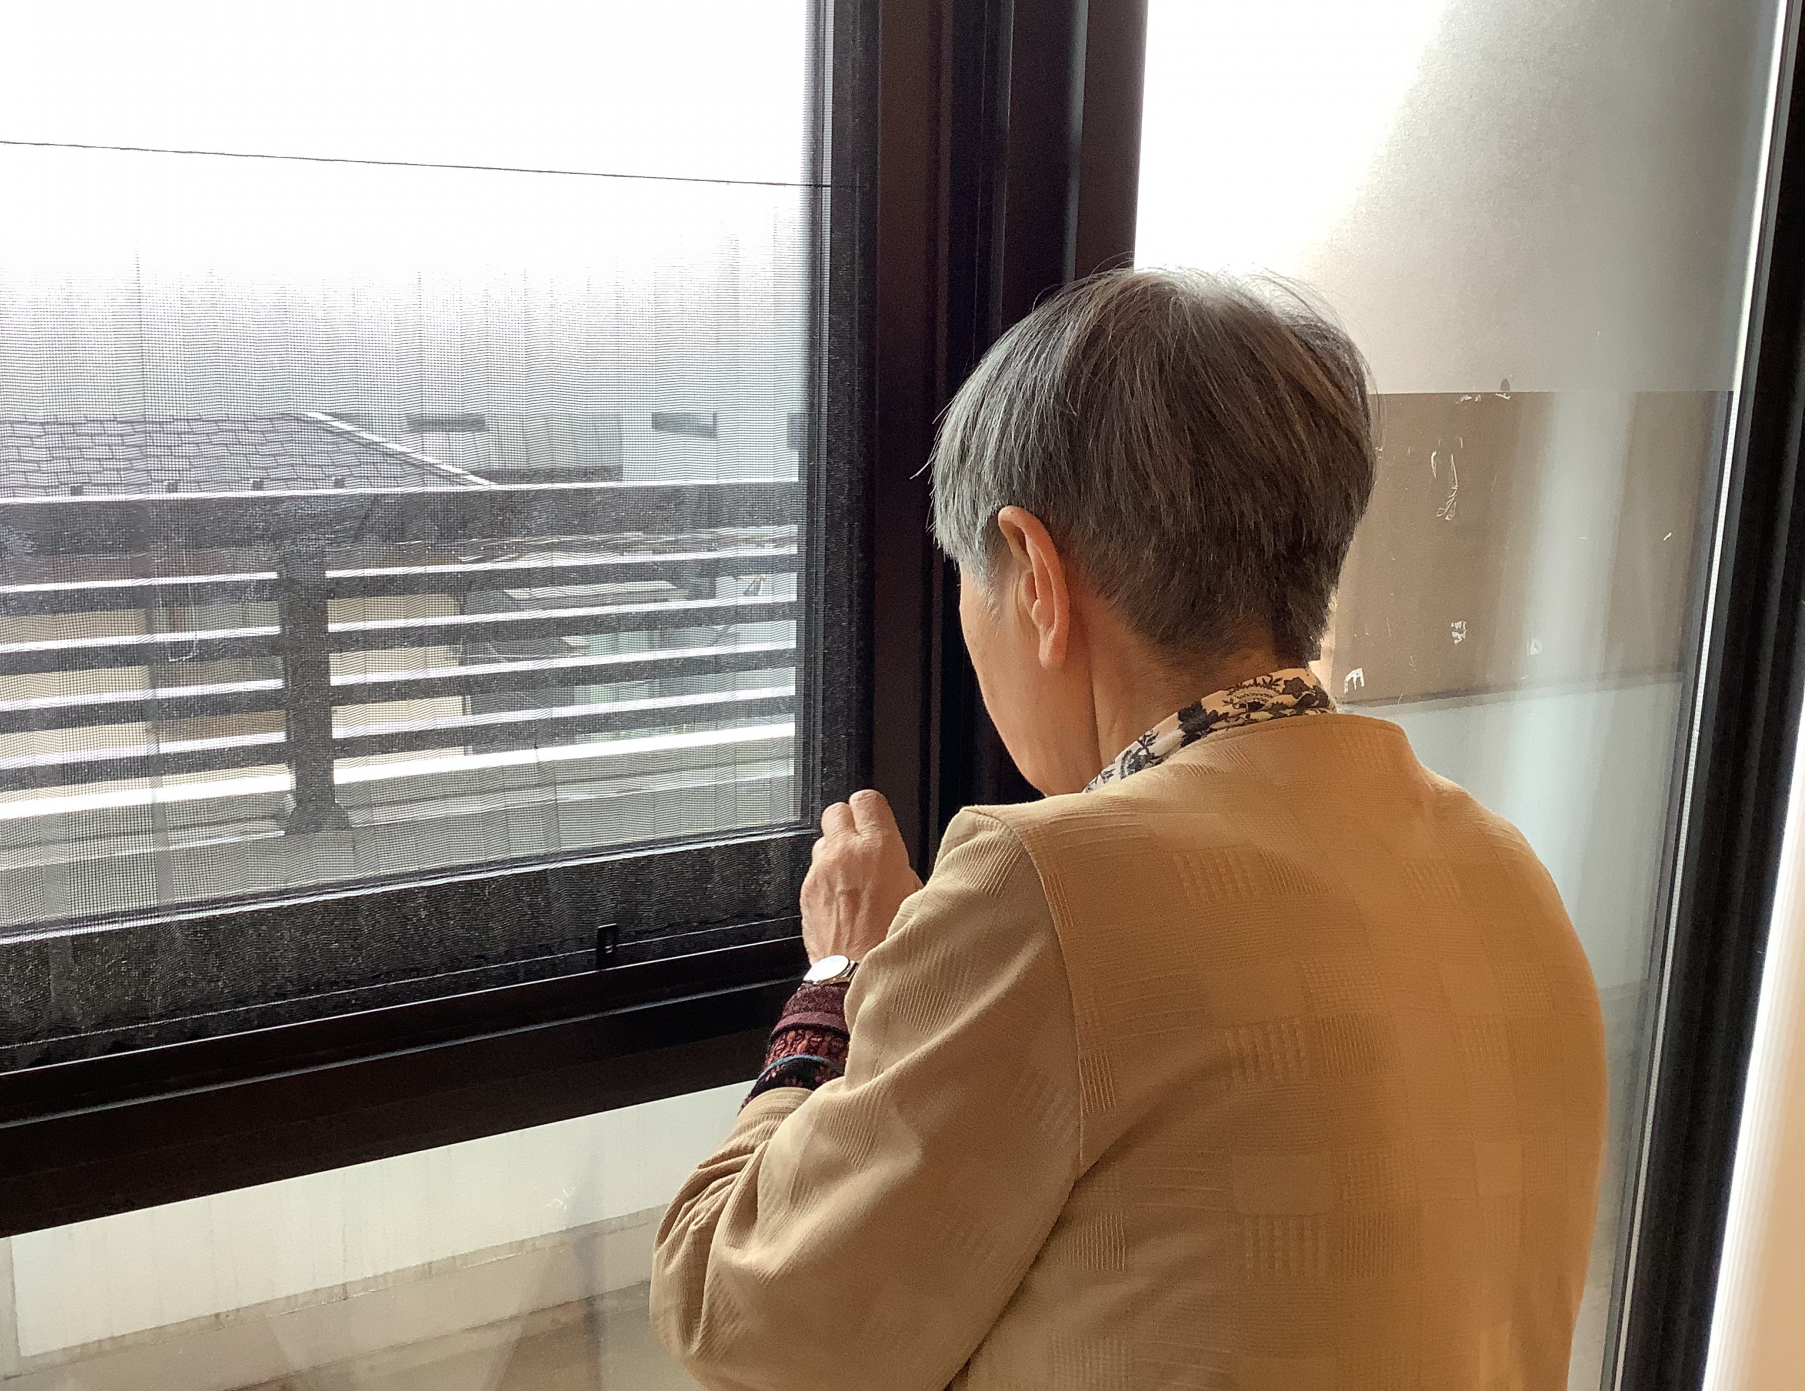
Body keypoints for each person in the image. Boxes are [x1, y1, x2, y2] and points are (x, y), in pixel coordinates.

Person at [650, 269, 1607, 1390]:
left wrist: (839, 979)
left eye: (970, 578)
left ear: (1038, 578)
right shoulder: (1500, 868)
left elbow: (740, 1320)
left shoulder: (1047, 887)